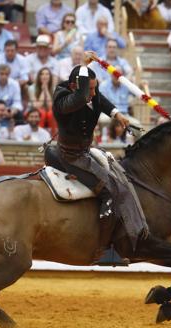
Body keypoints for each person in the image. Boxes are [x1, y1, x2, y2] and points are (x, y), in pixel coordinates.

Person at [46, 52, 136, 266]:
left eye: (95, 88)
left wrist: (117, 114)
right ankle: (101, 250)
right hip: (70, 156)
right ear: (76, 86)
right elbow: (81, 98)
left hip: (84, 151)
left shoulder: (89, 93)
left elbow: (98, 99)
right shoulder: (63, 99)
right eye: (90, 88)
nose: (93, 93)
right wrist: (83, 66)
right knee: (109, 192)